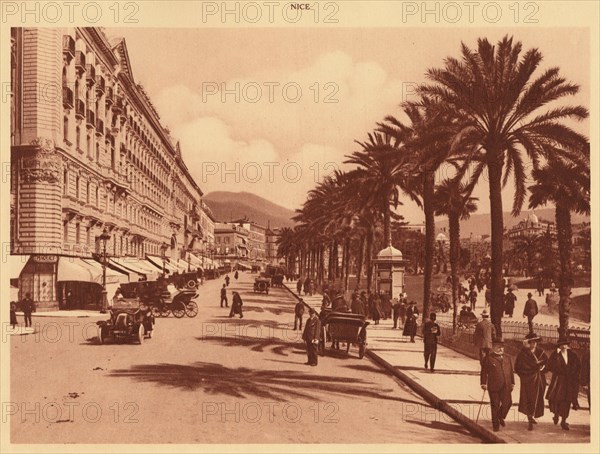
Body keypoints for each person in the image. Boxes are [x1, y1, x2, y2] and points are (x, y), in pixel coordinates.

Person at [514, 332, 548, 430]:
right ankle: (529, 419)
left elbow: (547, 363)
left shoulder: (541, 352)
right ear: (528, 343)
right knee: (529, 398)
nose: (533, 344)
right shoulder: (523, 353)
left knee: (537, 398)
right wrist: (525, 375)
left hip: (540, 379)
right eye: (531, 342)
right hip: (528, 380)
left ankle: (533, 416)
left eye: (535, 342)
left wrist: (543, 368)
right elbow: (518, 367)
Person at [546, 337, 581, 430]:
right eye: (561, 345)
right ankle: (556, 415)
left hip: (569, 381)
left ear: (567, 345)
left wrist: (573, 374)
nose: (564, 346)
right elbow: (549, 366)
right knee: (557, 399)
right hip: (559, 381)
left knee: (567, 401)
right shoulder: (555, 355)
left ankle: (563, 421)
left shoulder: (573, 355)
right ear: (559, 346)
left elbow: (578, 366)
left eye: (565, 344)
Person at [480, 338, 515, 432]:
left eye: (502, 347)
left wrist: (512, 382)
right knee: (495, 405)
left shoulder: (508, 358)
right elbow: (484, 372)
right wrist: (483, 383)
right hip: (494, 386)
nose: (501, 349)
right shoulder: (488, 358)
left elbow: (511, 371)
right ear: (493, 347)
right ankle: (495, 425)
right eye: (498, 347)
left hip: (506, 385)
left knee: (508, 403)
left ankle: (500, 416)